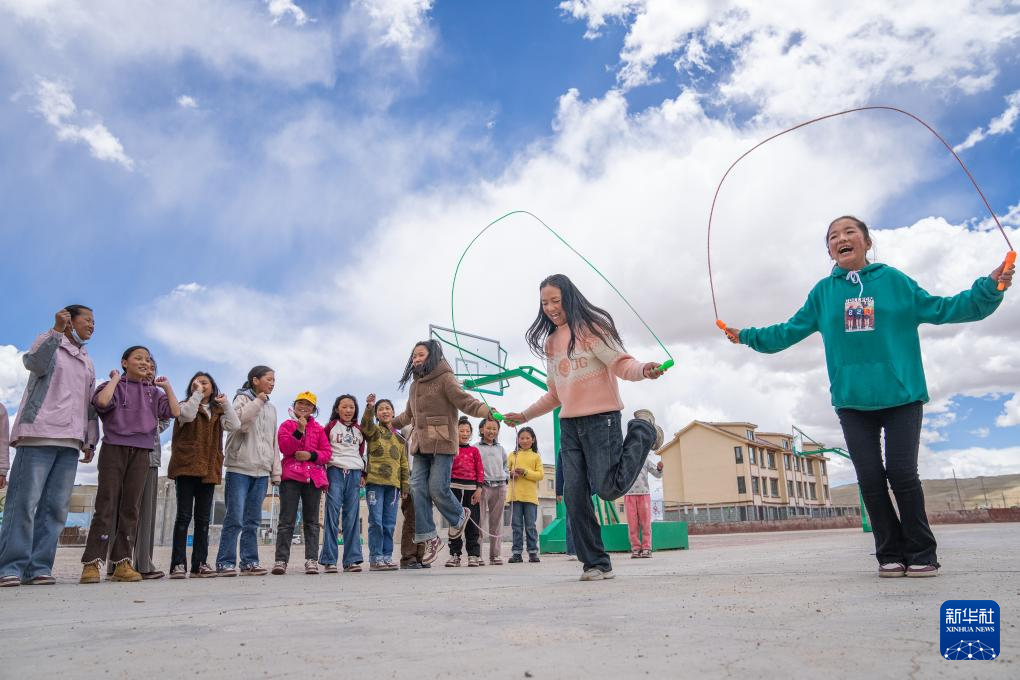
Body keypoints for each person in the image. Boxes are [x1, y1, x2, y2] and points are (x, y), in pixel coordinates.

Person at [724, 215, 1014, 578]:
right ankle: (889, 554)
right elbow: (787, 331)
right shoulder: (823, 293)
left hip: (901, 395)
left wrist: (991, 286)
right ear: (829, 250)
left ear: (866, 242)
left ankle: (922, 552)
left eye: (849, 232)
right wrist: (747, 335)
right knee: (870, 479)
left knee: (902, 473)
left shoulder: (894, 282)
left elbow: (947, 308)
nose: (841, 238)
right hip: (852, 400)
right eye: (833, 236)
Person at [503, 274, 664, 582]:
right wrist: (523, 416)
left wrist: (644, 369)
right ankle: (596, 563)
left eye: (555, 301)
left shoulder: (591, 330)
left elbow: (621, 364)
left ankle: (642, 429)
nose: (550, 308)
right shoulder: (551, 343)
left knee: (606, 489)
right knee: (573, 495)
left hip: (602, 420)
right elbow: (554, 393)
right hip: (570, 427)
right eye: (544, 303)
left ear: (569, 298)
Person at [0, 306, 98, 587]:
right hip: (39, 434)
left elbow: (90, 403)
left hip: (70, 441)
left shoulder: (87, 361)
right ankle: (10, 566)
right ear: (69, 320)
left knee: (55, 508)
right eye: (87, 320)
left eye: (94, 321)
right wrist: (55, 331)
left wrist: (90, 438)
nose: (92, 325)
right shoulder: (50, 341)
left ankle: (40, 566)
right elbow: (34, 363)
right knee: (23, 503)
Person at [80, 346, 180, 583]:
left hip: (142, 451)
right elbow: (102, 403)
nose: (145, 362)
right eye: (138, 358)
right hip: (114, 448)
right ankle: (92, 562)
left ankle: (122, 562)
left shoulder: (153, 392)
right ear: (125, 362)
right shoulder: (113, 386)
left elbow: (174, 411)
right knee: (106, 504)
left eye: (148, 359)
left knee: (131, 507)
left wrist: (166, 387)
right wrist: (116, 379)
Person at [392, 340, 493, 565]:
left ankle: (459, 516)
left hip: (442, 442)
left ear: (433, 355)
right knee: (418, 488)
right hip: (419, 445)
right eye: (413, 356)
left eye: (420, 355)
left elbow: (465, 401)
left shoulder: (445, 378)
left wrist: (486, 411)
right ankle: (430, 538)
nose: (416, 359)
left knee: (437, 489)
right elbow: (408, 414)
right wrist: (390, 422)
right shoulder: (414, 385)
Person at [168, 371, 240, 579]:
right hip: (186, 466)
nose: (200, 385)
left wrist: (226, 404)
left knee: (202, 519)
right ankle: (177, 564)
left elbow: (234, 425)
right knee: (183, 517)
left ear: (213, 386)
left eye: (205, 382)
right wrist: (197, 395)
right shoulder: (184, 405)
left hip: (208, 468)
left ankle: (199, 563)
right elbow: (188, 415)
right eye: (196, 382)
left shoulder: (218, 411)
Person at [106, 356, 169, 580]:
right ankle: (115, 563)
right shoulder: (121, 389)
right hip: (121, 453)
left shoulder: (158, 396)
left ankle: (143, 562)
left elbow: (165, 420)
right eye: (145, 365)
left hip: (149, 457)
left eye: (153, 367)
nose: (149, 370)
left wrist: (146, 421)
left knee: (144, 515)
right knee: (117, 510)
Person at [216, 366, 281, 577]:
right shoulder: (241, 399)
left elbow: (273, 441)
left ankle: (249, 561)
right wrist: (258, 401)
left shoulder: (272, 409)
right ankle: (225, 562)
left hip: (262, 470)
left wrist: (275, 470)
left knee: (252, 520)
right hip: (240, 467)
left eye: (274, 380)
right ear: (255, 380)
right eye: (269, 379)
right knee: (234, 517)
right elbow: (239, 424)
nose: (272, 383)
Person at [274, 392, 330, 575]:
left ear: (314, 409)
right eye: (300, 403)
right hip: (291, 476)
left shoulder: (319, 429)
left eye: (308, 405)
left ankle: (311, 560)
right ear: (294, 405)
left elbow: (326, 453)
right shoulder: (286, 425)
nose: (303, 407)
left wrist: (311, 455)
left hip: (312, 478)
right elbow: (285, 448)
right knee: (286, 520)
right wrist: (299, 430)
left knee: (312, 521)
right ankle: (281, 561)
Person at [362, 394, 409, 571]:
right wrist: (369, 407)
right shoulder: (373, 431)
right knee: (376, 521)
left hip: (394, 486)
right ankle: (375, 558)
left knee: (389, 523)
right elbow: (365, 425)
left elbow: (404, 462)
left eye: (387, 408)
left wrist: (405, 485)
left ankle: (387, 556)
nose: (384, 411)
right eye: (380, 409)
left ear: (393, 412)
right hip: (375, 483)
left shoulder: (399, 438)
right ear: (376, 414)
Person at [320, 395, 366, 573]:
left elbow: (361, 453)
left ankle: (352, 559)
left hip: (354, 474)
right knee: (332, 516)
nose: (348, 410)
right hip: (335, 472)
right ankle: (329, 560)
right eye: (344, 407)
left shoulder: (359, 430)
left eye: (352, 407)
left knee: (352, 517)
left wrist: (363, 473)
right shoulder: (330, 427)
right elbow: (324, 450)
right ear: (337, 409)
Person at [446, 417, 484, 567]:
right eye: (461, 430)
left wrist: (479, 489)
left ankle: (474, 555)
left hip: (471, 491)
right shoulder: (450, 449)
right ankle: (454, 555)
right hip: (454, 489)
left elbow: (480, 471)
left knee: (472, 523)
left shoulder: (474, 451)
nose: (464, 433)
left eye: (467, 431)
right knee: (455, 522)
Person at [505, 427, 544, 564]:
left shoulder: (536, 456)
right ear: (517, 440)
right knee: (516, 526)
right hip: (514, 497)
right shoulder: (512, 455)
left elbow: (540, 475)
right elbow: (504, 472)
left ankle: (533, 552)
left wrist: (525, 472)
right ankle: (516, 553)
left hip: (530, 498)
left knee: (530, 526)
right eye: (522, 438)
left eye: (528, 438)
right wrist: (510, 474)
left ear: (533, 440)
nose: (525, 440)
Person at [476, 416, 508, 565]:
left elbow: (505, 466)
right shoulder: (475, 448)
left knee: (497, 522)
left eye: (495, 429)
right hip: (483, 487)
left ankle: (495, 555)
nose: (491, 431)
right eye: (488, 428)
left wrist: (506, 477)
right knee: (479, 521)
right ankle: (477, 555)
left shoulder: (501, 449)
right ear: (482, 430)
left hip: (500, 486)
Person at [625, 456, 663, 558]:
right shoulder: (625, 458)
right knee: (632, 524)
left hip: (644, 494)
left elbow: (657, 474)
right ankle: (636, 548)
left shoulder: (645, 460)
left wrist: (659, 469)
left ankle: (646, 548)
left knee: (645, 522)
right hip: (629, 495)